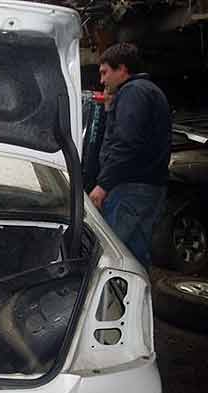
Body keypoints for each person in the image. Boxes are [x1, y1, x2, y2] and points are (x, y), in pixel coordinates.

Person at [88, 43, 171, 270]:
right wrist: (110, 109)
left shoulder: (132, 92)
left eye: (105, 72)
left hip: (130, 189)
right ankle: (138, 292)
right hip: (150, 187)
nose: (102, 80)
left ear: (122, 69)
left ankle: (112, 293)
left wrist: (103, 185)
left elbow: (126, 143)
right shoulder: (149, 91)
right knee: (135, 253)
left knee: (111, 255)